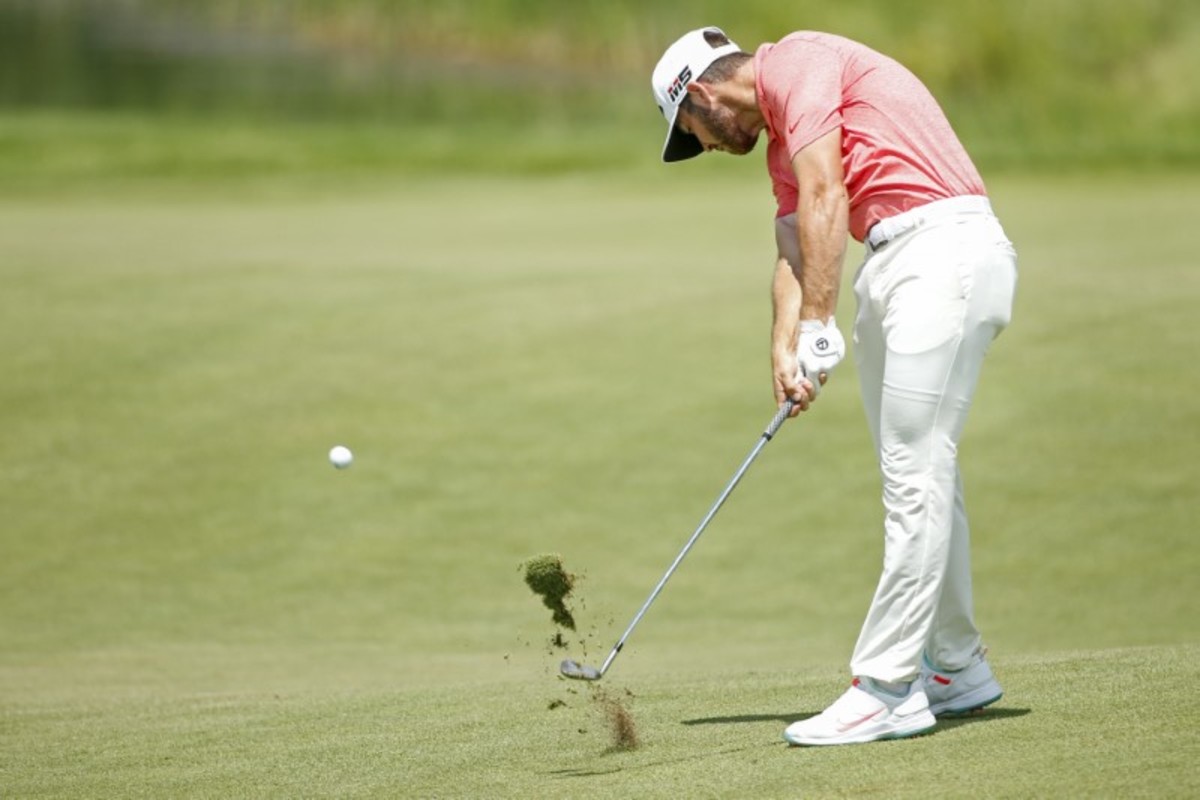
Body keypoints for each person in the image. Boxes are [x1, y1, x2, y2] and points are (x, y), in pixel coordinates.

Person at [650, 27, 1017, 746]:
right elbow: (794, 240)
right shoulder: (782, 140)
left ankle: (886, 688)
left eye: (693, 132)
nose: (707, 147)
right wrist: (786, 346)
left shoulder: (799, 61)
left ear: (700, 95)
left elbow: (826, 191)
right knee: (920, 471)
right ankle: (956, 667)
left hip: (942, 251)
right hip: (896, 264)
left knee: (915, 474)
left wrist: (821, 321)